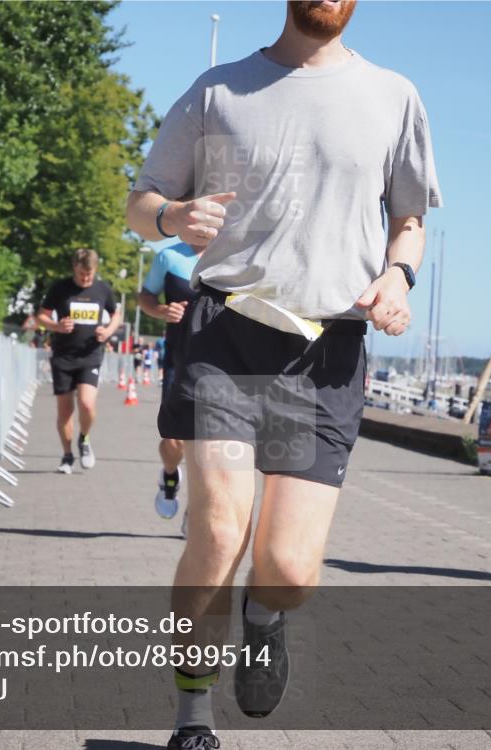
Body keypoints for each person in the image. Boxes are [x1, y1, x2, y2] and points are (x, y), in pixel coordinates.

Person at [126, 1, 440, 746]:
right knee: (219, 531)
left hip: (326, 352)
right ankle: (193, 715)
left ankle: (264, 616)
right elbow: (141, 205)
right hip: (224, 335)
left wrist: (397, 278)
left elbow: (411, 218)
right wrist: (172, 219)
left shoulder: (394, 96)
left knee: (290, 570)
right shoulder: (217, 91)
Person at [37, 249, 122, 474]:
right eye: (82, 274)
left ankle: (84, 439)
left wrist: (109, 331)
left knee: (86, 404)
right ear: (74, 267)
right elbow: (41, 316)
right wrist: (56, 326)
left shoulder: (103, 289)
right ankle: (67, 456)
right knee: (65, 412)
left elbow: (116, 315)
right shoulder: (60, 288)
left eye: (90, 274)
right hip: (63, 356)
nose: (86, 278)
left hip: (90, 355)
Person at [138, 242, 203, 526]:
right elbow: (145, 297)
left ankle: (195, 511)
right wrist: (162, 311)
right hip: (179, 357)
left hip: (221, 363)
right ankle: (169, 474)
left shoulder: (235, 253)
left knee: (208, 443)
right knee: (174, 441)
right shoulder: (170, 256)